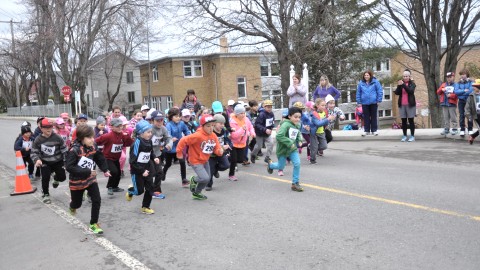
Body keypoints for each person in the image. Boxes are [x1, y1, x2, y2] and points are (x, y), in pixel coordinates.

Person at [65, 125, 111, 234]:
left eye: (93, 137)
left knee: (97, 200)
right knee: (77, 204)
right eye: (89, 138)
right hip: (77, 181)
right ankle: (72, 206)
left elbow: (99, 157)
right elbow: (69, 167)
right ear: (82, 138)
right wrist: (86, 171)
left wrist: (105, 169)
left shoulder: (93, 146)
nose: (92, 140)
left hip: (90, 179)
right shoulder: (74, 150)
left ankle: (93, 223)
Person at [176, 115, 224, 200]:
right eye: (208, 126)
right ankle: (194, 179)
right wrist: (179, 153)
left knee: (207, 179)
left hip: (205, 160)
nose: (211, 128)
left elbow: (216, 147)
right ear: (202, 126)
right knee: (204, 178)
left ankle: (197, 193)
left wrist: (219, 151)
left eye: (212, 125)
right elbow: (183, 140)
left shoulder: (213, 135)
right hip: (195, 160)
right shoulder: (197, 135)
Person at [266, 107, 304, 192]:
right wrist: (290, 143)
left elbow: (297, 133)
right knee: (281, 166)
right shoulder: (285, 125)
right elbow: (279, 136)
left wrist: (300, 140)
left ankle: (295, 183)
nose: (298, 119)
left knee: (297, 164)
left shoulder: (297, 125)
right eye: (295, 117)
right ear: (289, 116)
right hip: (283, 150)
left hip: (292, 149)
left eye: (299, 117)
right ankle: (271, 165)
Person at [126, 120, 160, 215]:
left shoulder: (149, 141)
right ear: (141, 133)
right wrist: (141, 171)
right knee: (139, 191)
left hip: (147, 168)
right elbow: (132, 161)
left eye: (151, 132)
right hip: (137, 170)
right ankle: (131, 191)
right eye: (148, 132)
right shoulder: (136, 143)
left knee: (150, 188)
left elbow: (150, 152)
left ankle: (145, 207)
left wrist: (154, 158)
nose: (150, 134)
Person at [31, 118, 67, 204]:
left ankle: (56, 178)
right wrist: (37, 160)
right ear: (41, 128)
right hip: (45, 162)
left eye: (50, 127)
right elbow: (33, 152)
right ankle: (46, 194)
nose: (48, 129)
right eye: (46, 127)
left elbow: (64, 149)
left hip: (58, 161)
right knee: (45, 177)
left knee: (62, 177)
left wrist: (66, 161)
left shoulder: (57, 137)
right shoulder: (38, 140)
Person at [95, 117, 134, 195]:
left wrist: (127, 136)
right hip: (107, 157)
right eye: (117, 126)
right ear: (111, 127)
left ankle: (115, 187)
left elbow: (130, 143)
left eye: (121, 126)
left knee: (119, 172)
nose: (120, 128)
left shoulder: (123, 135)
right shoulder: (108, 136)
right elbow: (96, 141)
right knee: (114, 171)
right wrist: (96, 151)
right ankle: (110, 187)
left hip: (116, 158)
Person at [163, 107, 191, 187]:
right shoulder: (168, 125)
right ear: (171, 117)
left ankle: (184, 180)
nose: (178, 118)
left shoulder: (182, 123)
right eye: (176, 116)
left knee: (182, 162)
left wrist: (188, 136)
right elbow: (167, 135)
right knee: (168, 164)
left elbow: (186, 131)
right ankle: (164, 172)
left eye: (179, 116)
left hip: (179, 147)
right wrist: (171, 138)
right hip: (170, 148)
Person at [228, 104, 255, 181]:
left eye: (244, 113)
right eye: (241, 113)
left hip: (243, 143)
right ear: (236, 114)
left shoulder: (246, 119)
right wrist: (242, 129)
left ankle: (228, 158)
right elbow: (234, 136)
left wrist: (252, 133)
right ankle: (231, 175)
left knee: (240, 160)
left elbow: (250, 127)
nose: (243, 115)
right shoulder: (232, 122)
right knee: (233, 160)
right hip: (233, 144)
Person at [150, 111, 172, 199]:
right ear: (152, 121)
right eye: (157, 120)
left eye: (161, 120)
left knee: (159, 172)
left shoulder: (163, 129)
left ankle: (156, 190)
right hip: (147, 154)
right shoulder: (149, 129)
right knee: (150, 173)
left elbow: (168, 138)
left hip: (157, 153)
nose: (159, 122)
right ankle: (147, 188)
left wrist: (169, 144)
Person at [206, 114, 231, 191]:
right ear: (214, 124)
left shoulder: (224, 131)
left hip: (221, 152)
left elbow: (228, 140)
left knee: (226, 165)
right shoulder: (210, 132)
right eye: (220, 123)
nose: (222, 125)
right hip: (211, 155)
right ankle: (209, 185)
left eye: (223, 123)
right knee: (210, 170)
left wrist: (229, 145)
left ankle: (215, 170)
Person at [356, 70, 383, 136]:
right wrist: (359, 101)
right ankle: (366, 130)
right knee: (366, 117)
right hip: (364, 103)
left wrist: (379, 100)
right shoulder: (361, 83)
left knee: (374, 116)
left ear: (370, 75)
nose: (366, 76)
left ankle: (374, 130)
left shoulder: (375, 82)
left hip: (373, 102)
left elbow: (379, 91)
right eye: (365, 75)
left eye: (367, 75)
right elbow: (358, 93)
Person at [309, 99, 335, 164]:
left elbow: (323, 120)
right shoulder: (314, 113)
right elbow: (318, 123)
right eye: (322, 105)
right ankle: (312, 160)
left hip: (321, 132)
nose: (324, 107)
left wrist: (328, 121)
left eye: (325, 105)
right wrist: (327, 119)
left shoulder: (324, 112)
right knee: (314, 147)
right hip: (314, 132)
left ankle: (311, 147)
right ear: (317, 105)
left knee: (324, 146)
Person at [394, 69, 417, 142]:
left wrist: (403, 85)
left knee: (411, 121)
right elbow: (397, 93)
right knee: (403, 121)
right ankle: (404, 135)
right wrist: (398, 86)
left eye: (406, 76)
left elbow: (410, 91)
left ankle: (412, 136)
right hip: (402, 105)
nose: (405, 77)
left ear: (409, 76)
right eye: (404, 76)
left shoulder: (412, 84)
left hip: (410, 105)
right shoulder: (401, 84)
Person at [251, 99, 275, 164]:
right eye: (268, 107)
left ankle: (267, 157)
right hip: (260, 133)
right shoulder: (261, 114)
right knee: (259, 146)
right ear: (264, 107)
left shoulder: (271, 114)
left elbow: (272, 122)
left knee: (271, 143)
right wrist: (265, 129)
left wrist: (272, 127)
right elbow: (257, 124)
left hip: (267, 133)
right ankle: (253, 154)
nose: (269, 108)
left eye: (270, 107)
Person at [454, 68, 474, 136]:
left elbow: (470, 91)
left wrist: (462, 92)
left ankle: (470, 129)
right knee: (461, 115)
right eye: (461, 74)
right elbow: (456, 92)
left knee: (469, 115)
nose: (462, 76)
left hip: (469, 101)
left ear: (467, 74)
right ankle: (462, 129)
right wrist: (464, 90)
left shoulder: (471, 82)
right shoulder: (458, 83)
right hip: (461, 101)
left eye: (463, 74)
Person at [465, 79, 480, 144]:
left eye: (475, 86)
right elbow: (467, 107)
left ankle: (472, 136)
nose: (474, 87)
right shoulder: (471, 96)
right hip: (476, 115)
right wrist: (468, 115)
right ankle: (472, 136)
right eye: (474, 86)